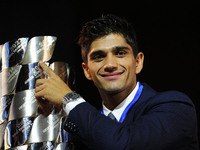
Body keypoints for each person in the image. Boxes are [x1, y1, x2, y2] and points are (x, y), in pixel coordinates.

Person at [35, 14, 199, 150]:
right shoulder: (80, 131)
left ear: (138, 62)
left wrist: (68, 99)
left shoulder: (176, 108)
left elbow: (123, 144)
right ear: (86, 70)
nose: (110, 65)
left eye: (120, 53)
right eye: (99, 57)